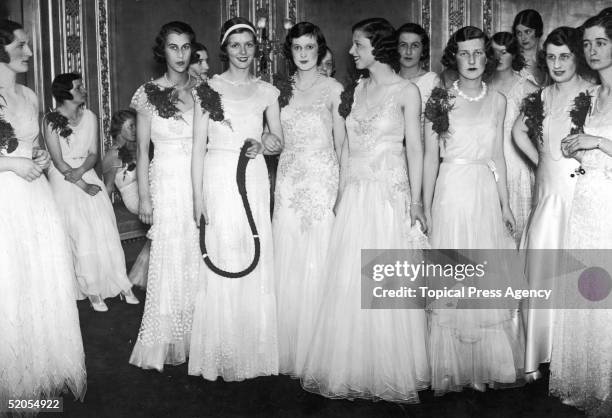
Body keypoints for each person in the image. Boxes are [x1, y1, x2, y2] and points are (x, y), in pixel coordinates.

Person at [300, 18, 430, 403]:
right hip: (356, 195)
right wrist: (340, 192)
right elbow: (345, 147)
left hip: (388, 196)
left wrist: (418, 202)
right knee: (350, 281)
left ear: (378, 47)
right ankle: (354, 366)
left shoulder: (407, 91)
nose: (352, 51)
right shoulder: (356, 89)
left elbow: (416, 149)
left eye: (358, 44)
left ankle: (389, 369)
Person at [423, 26, 522, 394]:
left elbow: (497, 155)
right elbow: (430, 158)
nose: (472, 60)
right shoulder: (439, 99)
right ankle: (452, 369)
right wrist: (427, 205)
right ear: (454, 57)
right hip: (451, 189)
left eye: (479, 53)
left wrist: (506, 203)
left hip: (483, 188)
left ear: (488, 57)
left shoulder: (498, 100)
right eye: (464, 53)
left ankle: (482, 367)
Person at [189, 17, 284, 382]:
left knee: (252, 248)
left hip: (253, 174)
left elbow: (277, 139)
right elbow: (198, 147)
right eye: (235, 45)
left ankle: (253, 351)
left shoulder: (267, 92)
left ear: (255, 49)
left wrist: (266, 142)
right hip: (217, 174)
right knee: (223, 247)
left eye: (248, 45)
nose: (242, 52)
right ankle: (222, 350)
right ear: (224, 49)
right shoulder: (207, 88)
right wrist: (197, 197)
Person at [0, 18, 86, 406]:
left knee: (39, 277)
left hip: (35, 194)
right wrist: (12, 165)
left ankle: (37, 370)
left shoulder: (31, 96)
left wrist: (33, 156)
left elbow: (31, 145)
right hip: (6, 193)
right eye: (21, 46)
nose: (30, 53)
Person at [513, 26, 595, 381]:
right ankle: (538, 353)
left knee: (575, 269)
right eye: (551, 57)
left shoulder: (592, 94)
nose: (557, 63)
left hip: (577, 192)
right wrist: (540, 161)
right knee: (542, 267)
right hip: (548, 194)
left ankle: (571, 353)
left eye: (564, 56)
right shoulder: (541, 96)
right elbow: (517, 132)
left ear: (576, 57)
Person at [129, 21, 201, 371]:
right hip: (166, 183)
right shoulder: (147, 93)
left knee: (197, 253)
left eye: (186, 47)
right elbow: (142, 150)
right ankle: (166, 337)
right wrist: (145, 197)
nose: (180, 54)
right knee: (170, 255)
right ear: (163, 51)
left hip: (199, 182)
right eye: (173, 47)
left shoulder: (205, 90)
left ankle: (198, 334)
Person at [549, 14, 612, 415]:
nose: (591, 51)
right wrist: (580, 147)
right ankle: (592, 379)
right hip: (587, 198)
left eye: (600, 43)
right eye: (587, 44)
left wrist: (598, 140)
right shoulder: (594, 95)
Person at [273, 22, 343, 377]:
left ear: (319, 50)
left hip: (321, 178)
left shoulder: (333, 89)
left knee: (319, 254)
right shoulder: (279, 91)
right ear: (290, 51)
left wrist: (341, 189)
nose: (303, 54)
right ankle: (288, 347)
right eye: (297, 48)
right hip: (288, 179)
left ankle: (321, 349)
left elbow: (343, 144)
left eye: (310, 47)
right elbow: (273, 136)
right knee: (289, 254)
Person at [45, 72, 138, 312]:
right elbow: (57, 160)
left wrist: (84, 173)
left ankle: (120, 283)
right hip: (63, 176)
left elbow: (94, 154)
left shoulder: (90, 116)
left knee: (104, 221)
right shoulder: (50, 120)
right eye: (78, 87)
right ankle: (93, 290)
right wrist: (81, 184)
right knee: (81, 227)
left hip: (85, 170)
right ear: (66, 93)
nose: (83, 89)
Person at [489, 32, 538, 246]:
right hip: (487, 165)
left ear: (514, 54)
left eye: (504, 51)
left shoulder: (527, 88)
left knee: (517, 232)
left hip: (516, 166)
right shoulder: (481, 86)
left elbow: (540, 135)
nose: (498, 57)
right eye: (493, 51)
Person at [102, 108, 149, 289]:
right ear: (118, 128)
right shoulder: (112, 155)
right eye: (130, 126)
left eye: (136, 126)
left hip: (146, 194)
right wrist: (104, 217)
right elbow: (107, 187)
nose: (135, 130)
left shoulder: (137, 149)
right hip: (134, 199)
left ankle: (148, 273)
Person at [397, 22, 440, 119]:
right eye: (403, 45)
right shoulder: (389, 80)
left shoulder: (432, 82)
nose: (408, 51)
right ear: (396, 49)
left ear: (422, 51)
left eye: (415, 46)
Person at [512, 9, 547, 86]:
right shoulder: (512, 62)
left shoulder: (547, 60)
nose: (523, 38)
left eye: (527, 32)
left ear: (537, 31)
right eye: (519, 33)